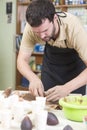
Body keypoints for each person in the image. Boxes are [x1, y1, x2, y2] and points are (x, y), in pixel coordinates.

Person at [17, 0, 87, 102]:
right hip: (51, 67)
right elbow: (21, 60)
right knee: (48, 105)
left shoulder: (73, 27)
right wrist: (33, 78)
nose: (41, 36)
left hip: (75, 71)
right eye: (37, 32)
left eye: (45, 30)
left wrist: (66, 88)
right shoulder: (31, 27)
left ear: (54, 18)